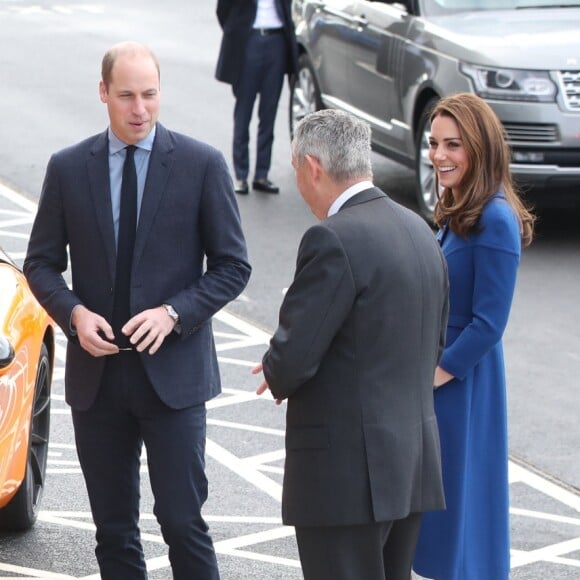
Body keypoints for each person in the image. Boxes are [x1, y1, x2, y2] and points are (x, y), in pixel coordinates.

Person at [23, 41, 251, 580]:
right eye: (126, 96)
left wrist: (173, 312)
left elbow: (232, 266)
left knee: (181, 522)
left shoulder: (201, 165)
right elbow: (41, 263)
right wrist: (74, 314)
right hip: (98, 381)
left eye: (149, 95)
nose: (140, 109)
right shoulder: (69, 168)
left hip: (173, 379)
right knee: (114, 532)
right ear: (103, 93)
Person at [253, 109, 449, 580]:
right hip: (409, 463)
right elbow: (432, 338)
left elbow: (294, 356)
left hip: (345, 476)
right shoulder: (420, 231)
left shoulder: (332, 239)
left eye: (298, 170)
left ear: (313, 166)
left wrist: (276, 364)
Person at [412, 93, 535, 580]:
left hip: (461, 384)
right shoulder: (460, 204)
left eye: (453, 145)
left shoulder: (496, 220)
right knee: (440, 512)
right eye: (434, 143)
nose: (439, 155)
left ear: (480, 149)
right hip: (442, 375)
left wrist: (433, 378)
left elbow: (489, 323)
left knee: (459, 509)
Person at [215, 0, 299, 194]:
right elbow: (223, 9)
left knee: (269, 114)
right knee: (243, 112)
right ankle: (240, 176)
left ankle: (262, 174)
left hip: (276, 42)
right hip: (248, 42)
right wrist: (235, 31)